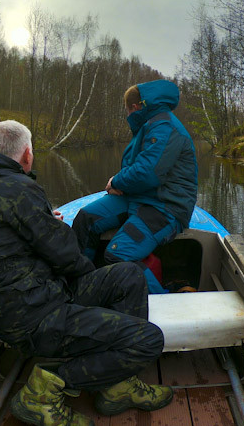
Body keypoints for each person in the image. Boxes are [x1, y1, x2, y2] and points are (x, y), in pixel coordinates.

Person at [0, 120, 173, 426]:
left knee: (128, 275)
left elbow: (24, 240)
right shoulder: (20, 188)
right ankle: (43, 391)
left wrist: (48, 222)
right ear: (26, 155)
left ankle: (117, 386)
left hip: (32, 298)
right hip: (34, 317)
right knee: (147, 340)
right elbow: (65, 253)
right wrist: (88, 280)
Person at [72, 80, 198, 294]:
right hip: (139, 197)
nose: (128, 115)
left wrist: (116, 182)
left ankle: (165, 301)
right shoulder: (149, 126)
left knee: (118, 254)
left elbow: (147, 172)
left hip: (165, 206)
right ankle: (81, 284)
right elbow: (138, 169)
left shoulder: (165, 126)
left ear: (136, 107)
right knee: (86, 219)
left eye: (128, 110)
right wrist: (122, 184)